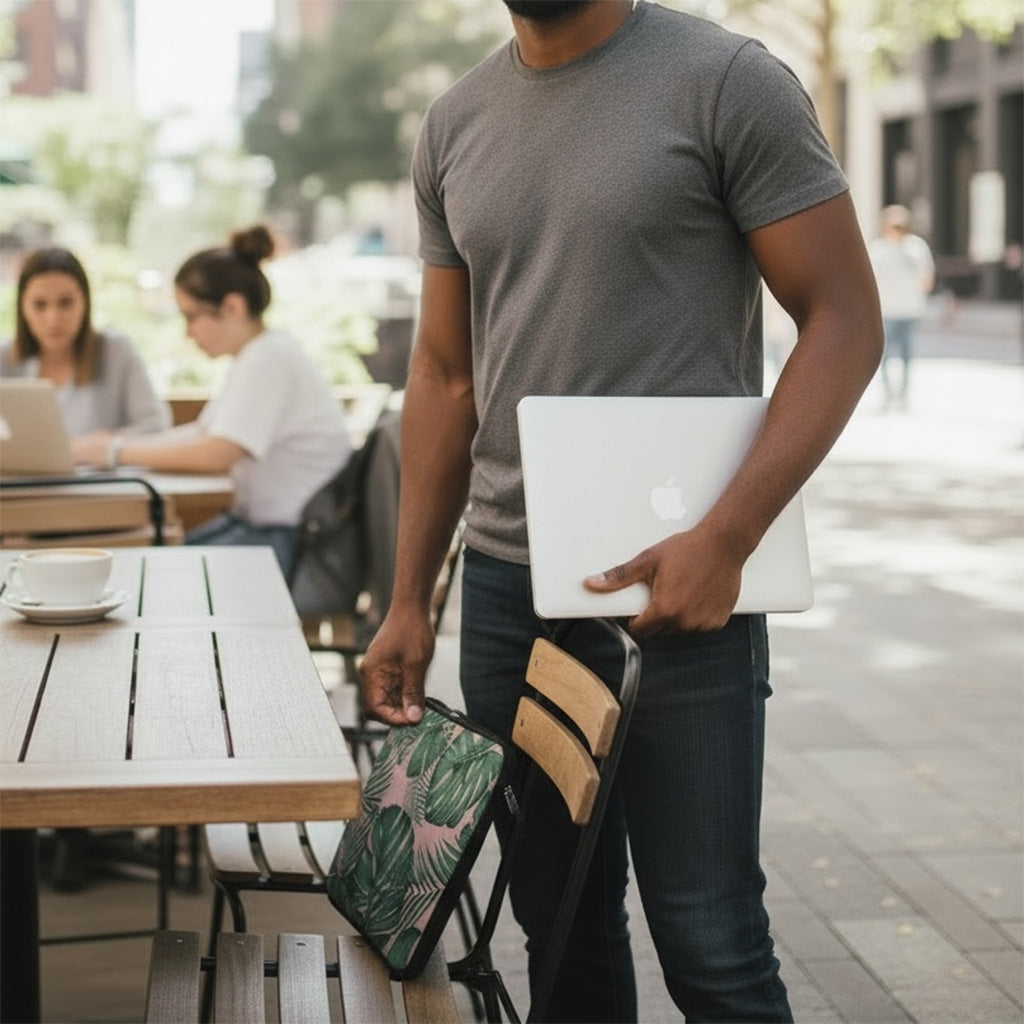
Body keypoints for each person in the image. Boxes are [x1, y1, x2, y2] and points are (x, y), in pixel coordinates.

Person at [361, 3, 884, 1022]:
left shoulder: (727, 81)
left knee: (711, 942)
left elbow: (845, 319)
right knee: (561, 937)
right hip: (510, 590)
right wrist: (408, 598)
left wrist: (728, 536)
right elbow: (440, 373)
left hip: (681, 585)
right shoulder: (455, 121)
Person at [72, 225, 352, 577]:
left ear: (232, 306)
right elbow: (203, 432)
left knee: (158, 577)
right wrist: (117, 445)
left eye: (191, 316)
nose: (188, 332)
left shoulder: (268, 359)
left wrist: (116, 452)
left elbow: (218, 452)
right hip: (268, 528)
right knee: (156, 565)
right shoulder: (260, 354)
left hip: (295, 542)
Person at [2, 247, 170, 436]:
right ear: (22, 307)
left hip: (102, 466)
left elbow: (155, 425)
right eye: (40, 305)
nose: (53, 319)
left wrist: (103, 447)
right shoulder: (4, 357)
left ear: (85, 303)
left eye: (66, 303)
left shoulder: (116, 351)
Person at [868, 204, 935, 409]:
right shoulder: (878, 248)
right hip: (886, 310)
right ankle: (888, 393)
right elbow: (871, 279)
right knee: (885, 355)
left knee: (906, 354)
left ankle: (903, 394)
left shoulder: (916, 247)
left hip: (909, 309)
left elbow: (927, 277)